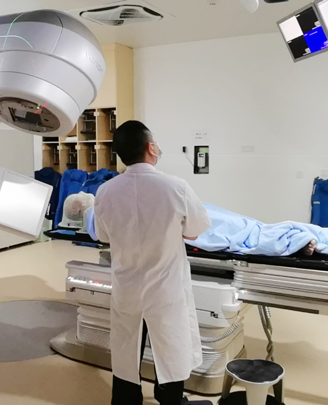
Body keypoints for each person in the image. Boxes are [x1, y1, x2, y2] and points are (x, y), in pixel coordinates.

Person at [92, 121, 212, 405]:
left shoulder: (105, 191)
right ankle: (169, 399)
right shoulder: (176, 187)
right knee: (170, 345)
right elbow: (195, 231)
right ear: (151, 147)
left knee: (126, 346)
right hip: (164, 289)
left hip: (127, 287)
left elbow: (103, 236)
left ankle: (125, 400)